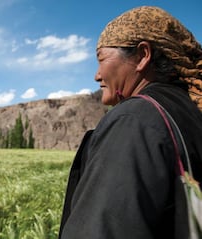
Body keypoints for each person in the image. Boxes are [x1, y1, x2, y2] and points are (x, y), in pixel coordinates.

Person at [58, 6, 202, 239]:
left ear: (143, 56)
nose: (96, 75)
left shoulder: (134, 119)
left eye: (101, 59)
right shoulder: (191, 111)